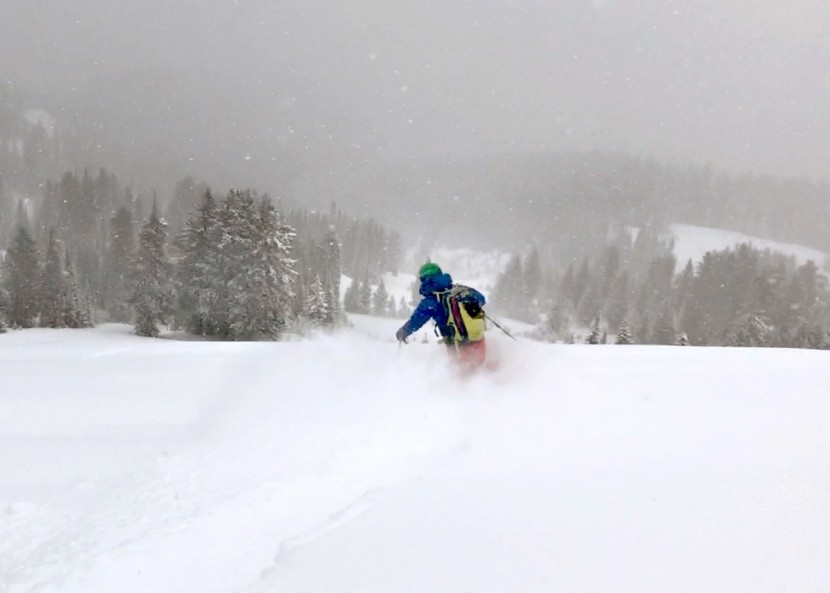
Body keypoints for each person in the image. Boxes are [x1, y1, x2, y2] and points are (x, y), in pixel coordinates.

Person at [396, 262, 487, 368]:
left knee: (462, 376)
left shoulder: (431, 301)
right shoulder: (459, 290)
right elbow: (482, 299)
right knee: (482, 370)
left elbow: (416, 321)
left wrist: (403, 332)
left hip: (456, 345)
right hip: (478, 338)